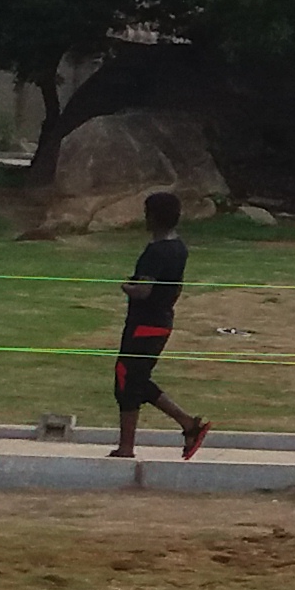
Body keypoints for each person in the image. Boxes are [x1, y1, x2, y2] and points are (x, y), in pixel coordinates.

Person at [108, 191, 209, 461]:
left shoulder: (155, 252)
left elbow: (143, 291)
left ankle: (128, 447)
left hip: (145, 323)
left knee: (126, 380)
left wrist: (125, 286)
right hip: (161, 321)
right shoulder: (179, 247)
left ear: (152, 217)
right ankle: (188, 425)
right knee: (135, 379)